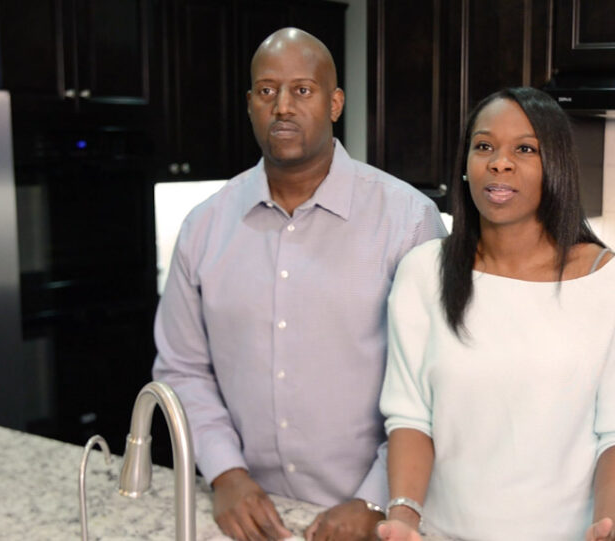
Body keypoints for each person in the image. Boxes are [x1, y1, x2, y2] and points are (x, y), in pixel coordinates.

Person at [153, 28, 446, 541]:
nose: (282, 106)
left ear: (335, 103)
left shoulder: (409, 221)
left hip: (381, 519)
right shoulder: (204, 227)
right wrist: (226, 472)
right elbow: (182, 367)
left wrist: (377, 498)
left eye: (302, 90)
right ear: (249, 104)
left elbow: (438, 381)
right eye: (267, 91)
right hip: (254, 515)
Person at [374, 87, 615, 541]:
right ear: (465, 165)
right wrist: (403, 517)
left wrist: (606, 525)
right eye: (484, 146)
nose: (499, 162)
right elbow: (411, 418)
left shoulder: (611, 282)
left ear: (554, 166)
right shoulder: (423, 272)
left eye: (525, 149)